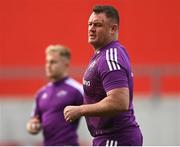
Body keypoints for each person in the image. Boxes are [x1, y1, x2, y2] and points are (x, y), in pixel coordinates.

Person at [64, 5, 143, 146]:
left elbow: (119, 102)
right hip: (106, 137)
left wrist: (80, 110)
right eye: (90, 24)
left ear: (113, 29)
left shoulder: (110, 56)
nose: (91, 29)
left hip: (116, 138)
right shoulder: (101, 54)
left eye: (98, 25)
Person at [26, 44, 83, 146]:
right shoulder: (41, 93)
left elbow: (95, 114)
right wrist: (33, 126)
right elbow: (33, 121)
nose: (48, 65)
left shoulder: (77, 90)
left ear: (66, 64)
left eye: (53, 62)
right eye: (47, 62)